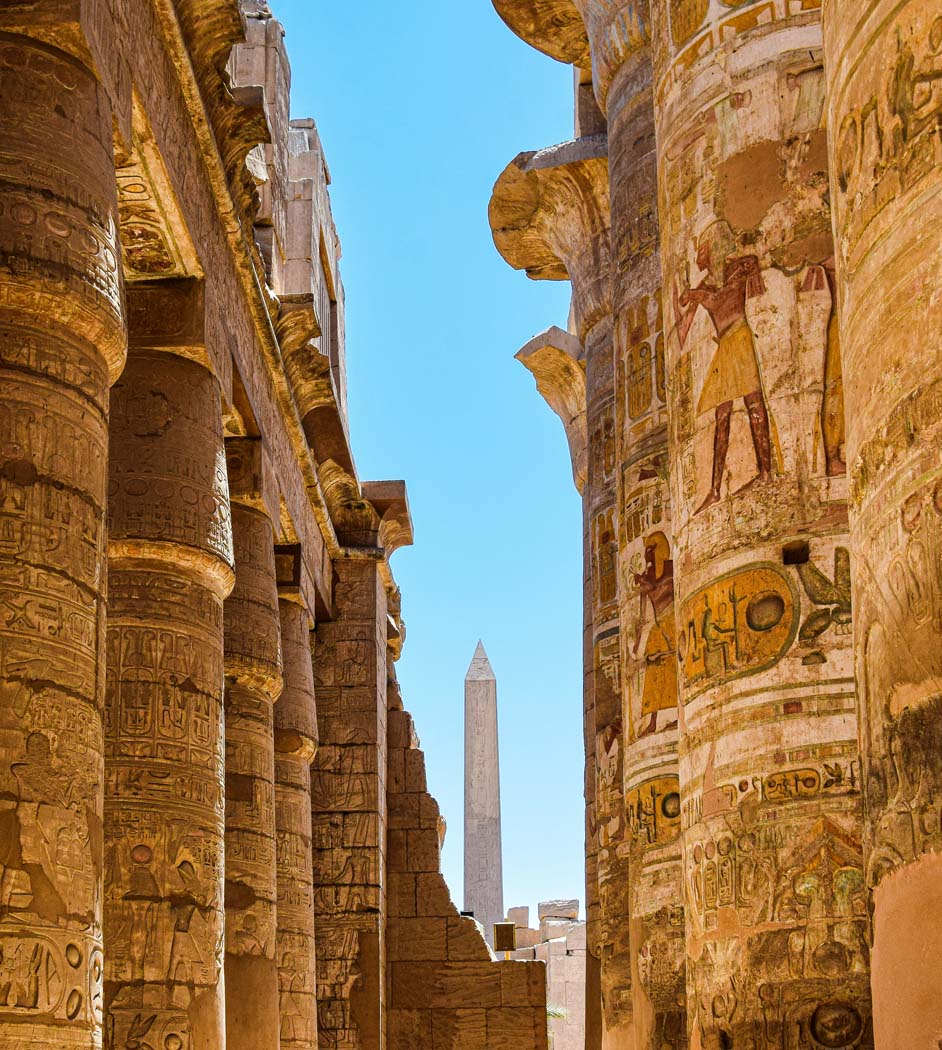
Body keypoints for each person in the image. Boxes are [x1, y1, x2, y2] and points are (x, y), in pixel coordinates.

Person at [673, 221, 773, 512]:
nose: (699, 259)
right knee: (723, 414)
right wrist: (686, 300)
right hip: (726, 345)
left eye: (702, 251)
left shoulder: (734, 271)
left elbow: (751, 265)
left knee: (753, 404)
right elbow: (684, 327)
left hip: (739, 337)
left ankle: (765, 473)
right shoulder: (705, 285)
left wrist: (699, 296)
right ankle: (715, 489)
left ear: (715, 248)